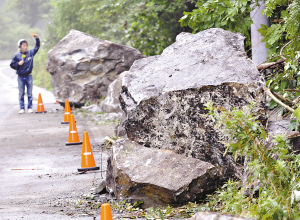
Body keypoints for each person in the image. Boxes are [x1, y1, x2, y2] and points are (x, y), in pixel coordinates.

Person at [10, 34, 40, 113]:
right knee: (21, 93)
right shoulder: (16, 55)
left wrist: (37, 40)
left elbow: (37, 47)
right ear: (20, 46)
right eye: (23, 45)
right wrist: (18, 64)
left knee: (30, 93)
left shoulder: (30, 52)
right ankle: (22, 108)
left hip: (29, 76)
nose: (25, 47)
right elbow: (12, 65)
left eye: (26, 45)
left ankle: (30, 107)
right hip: (20, 77)